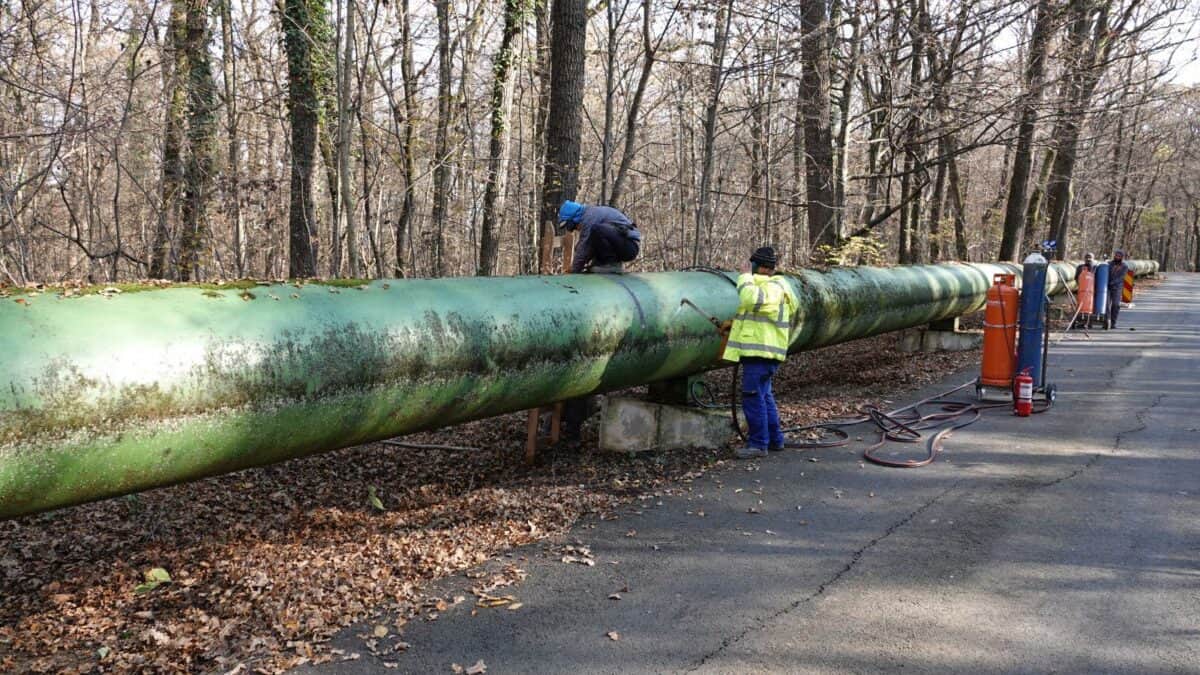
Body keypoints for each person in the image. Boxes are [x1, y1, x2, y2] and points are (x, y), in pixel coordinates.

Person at [722, 246, 797, 459]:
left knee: (753, 397)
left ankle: (758, 444)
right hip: (761, 354)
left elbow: (752, 301)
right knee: (764, 396)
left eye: (753, 264)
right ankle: (774, 440)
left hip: (761, 354)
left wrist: (745, 277)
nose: (751, 268)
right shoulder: (769, 288)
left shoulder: (774, 287)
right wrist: (733, 326)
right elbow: (756, 319)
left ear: (762, 266)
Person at [557, 200, 641, 274]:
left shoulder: (589, 217)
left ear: (574, 218)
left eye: (570, 226)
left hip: (630, 246)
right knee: (588, 240)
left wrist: (574, 270)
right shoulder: (589, 215)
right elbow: (588, 246)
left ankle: (611, 264)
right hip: (622, 243)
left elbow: (585, 247)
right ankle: (602, 264)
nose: (573, 230)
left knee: (597, 230)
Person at [1107, 250, 1130, 328]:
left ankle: (1113, 323)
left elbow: (1121, 277)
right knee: (1106, 305)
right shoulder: (1109, 264)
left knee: (1115, 305)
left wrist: (1113, 282)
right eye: (1116, 255)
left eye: (1119, 256)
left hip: (1117, 288)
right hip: (1107, 287)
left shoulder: (1124, 266)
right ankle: (1106, 321)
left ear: (1122, 257)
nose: (1117, 257)